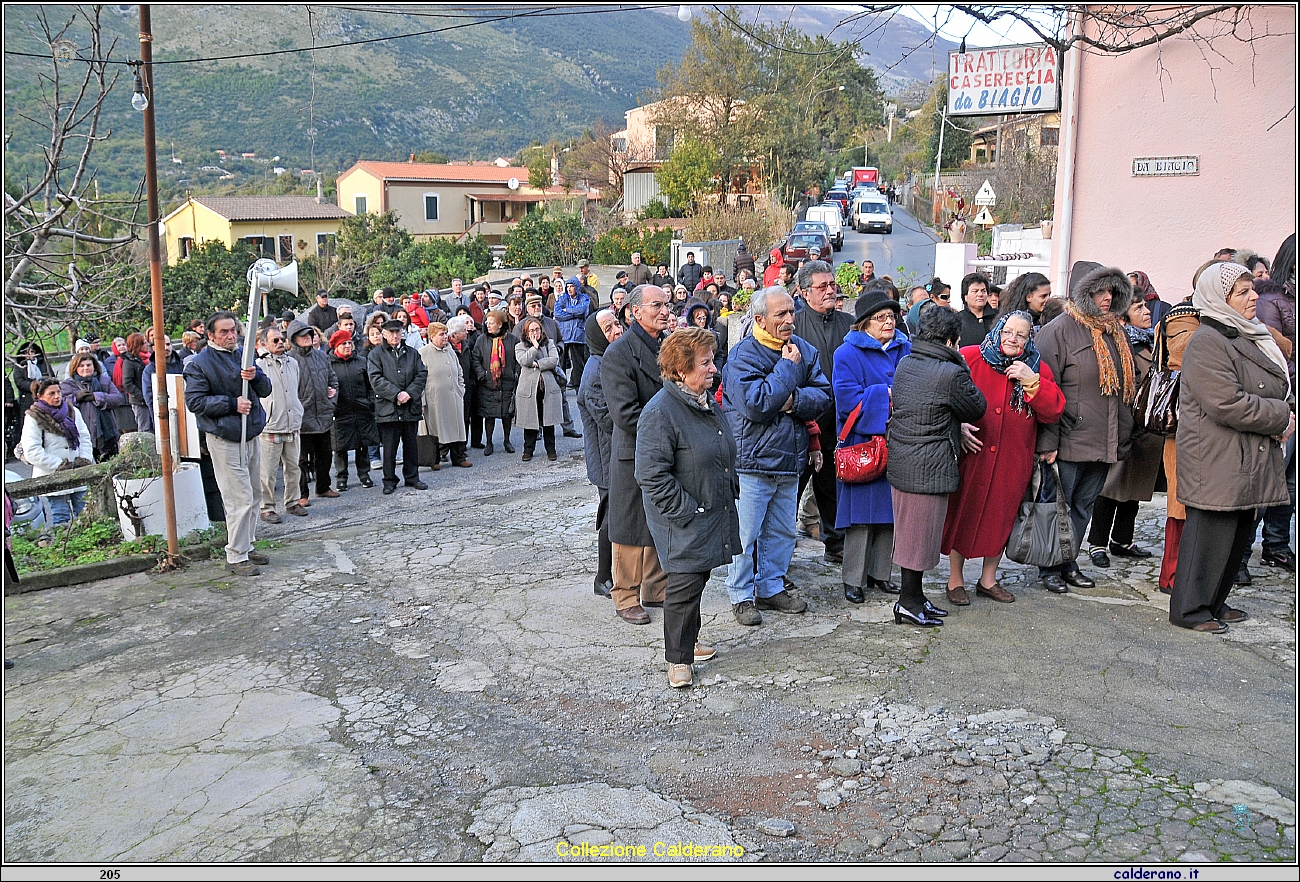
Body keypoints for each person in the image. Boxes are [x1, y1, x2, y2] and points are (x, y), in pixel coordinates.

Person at [1170, 263, 1293, 634]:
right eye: (1242, 292)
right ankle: (1189, 609)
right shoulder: (1209, 340)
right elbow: (1226, 403)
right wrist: (1281, 415)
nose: (1254, 296)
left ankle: (1214, 602)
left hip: (1243, 455)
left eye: (1251, 289)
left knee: (1237, 534)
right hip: (1217, 456)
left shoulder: (1243, 334)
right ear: (1220, 300)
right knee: (1210, 535)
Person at [635, 326, 739, 689]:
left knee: (697, 578)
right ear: (681, 370)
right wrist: (687, 511)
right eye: (705, 363)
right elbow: (650, 474)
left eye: (713, 361)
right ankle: (677, 660)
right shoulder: (661, 411)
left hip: (709, 508)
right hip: (685, 516)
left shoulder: (704, 403)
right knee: (683, 585)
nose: (714, 369)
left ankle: (689, 644)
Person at [722, 286, 831, 626]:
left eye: (791, 312)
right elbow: (756, 405)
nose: (789, 320)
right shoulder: (743, 356)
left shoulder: (804, 350)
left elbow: (823, 395)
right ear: (759, 319)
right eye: (780, 314)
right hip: (752, 461)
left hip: (788, 459)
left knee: (782, 532)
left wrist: (791, 402)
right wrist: (786, 371)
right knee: (746, 535)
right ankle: (740, 595)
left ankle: (770, 588)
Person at [942, 311, 1065, 604]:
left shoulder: (1037, 369)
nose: (1013, 339)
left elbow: (1053, 411)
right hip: (975, 453)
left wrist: (1031, 381)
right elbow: (944, 395)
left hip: (1013, 457)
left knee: (1001, 517)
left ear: (1028, 339)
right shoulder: (971, 357)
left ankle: (988, 579)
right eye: (1008, 332)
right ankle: (955, 580)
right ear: (998, 330)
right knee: (964, 511)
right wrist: (956, 427)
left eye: (1021, 335)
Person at [1034, 263, 1138, 594]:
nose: (1107, 298)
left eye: (1111, 291)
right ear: (1084, 293)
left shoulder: (1115, 331)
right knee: (1058, 506)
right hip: (1067, 438)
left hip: (1104, 439)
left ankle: (1068, 561)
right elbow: (1044, 389)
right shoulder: (1058, 331)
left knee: (1083, 505)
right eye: (1099, 291)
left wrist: (1123, 436)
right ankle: (1049, 566)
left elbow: (1122, 390)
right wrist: (1047, 441)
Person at [887, 306, 987, 625]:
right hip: (929, 464)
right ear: (951, 341)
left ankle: (914, 598)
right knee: (918, 539)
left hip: (905, 459)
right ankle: (908, 602)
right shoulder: (950, 371)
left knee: (912, 536)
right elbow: (976, 407)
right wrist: (957, 362)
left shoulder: (907, 362)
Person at [833, 285, 912, 604]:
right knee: (861, 515)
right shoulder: (847, 354)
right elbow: (847, 400)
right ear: (864, 323)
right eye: (880, 317)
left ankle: (882, 574)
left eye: (891, 316)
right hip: (863, 444)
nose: (888, 322)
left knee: (890, 512)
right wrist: (888, 394)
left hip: (899, 440)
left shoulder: (906, 349)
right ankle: (853, 579)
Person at [602, 285, 673, 624]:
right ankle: (625, 594)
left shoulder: (669, 347)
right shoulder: (618, 353)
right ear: (634, 312)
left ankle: (655, 588)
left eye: (667, 304)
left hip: (667, 450)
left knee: (663, 517)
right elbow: (625, 414)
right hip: (635, 449)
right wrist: (671, 426)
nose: (664, 310)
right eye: (656, 305)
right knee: (629, 525)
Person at [184, 311, 273, 576]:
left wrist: (254, 376)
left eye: (233, 330)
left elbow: (265, 389)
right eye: (223, 331)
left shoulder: (243, 355)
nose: (230, 335)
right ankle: (235, 555)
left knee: (255, 494)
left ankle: (247, 544)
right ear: (210, 335)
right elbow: (195, 402)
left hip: (250, 433)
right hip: (225, 437)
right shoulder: (199, 364)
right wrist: (232, 404)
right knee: (239, 498)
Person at [1087, 295, 1162, 565]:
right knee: (1111, 488)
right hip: (1124, 425)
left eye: (1146, 306)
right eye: (1138, 308)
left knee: (1135, 488)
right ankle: (1097, 544)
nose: (1146, 312)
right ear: (1122, 316)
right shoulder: (1120, 344)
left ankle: (1122, 540)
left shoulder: (1153, 343)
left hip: (1147, 428)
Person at [793, 259, 851, 565]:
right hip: (802, 422)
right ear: (805, 292)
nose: (830, 290)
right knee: (791, 491)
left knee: (833, 488)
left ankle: (836, 544)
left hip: (841, 424)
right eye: (823, 286)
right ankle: (779, 552)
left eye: (832, 284)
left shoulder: (849, 323)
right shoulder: (794, 325)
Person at [579, 310, 621, 598]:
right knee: (610, 516)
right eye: (609, 328)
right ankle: (602, 577)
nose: (617, 330)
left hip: (614, 454)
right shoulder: (595, 372)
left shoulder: (609, 361)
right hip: (606, 459)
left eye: (617, 323)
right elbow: (608, 420)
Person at [368, 319, 429, 495]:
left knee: (411, 445)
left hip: (410, 405)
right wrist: (396, 394)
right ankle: (389, 480)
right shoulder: (376, 355)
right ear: (384, 335)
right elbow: (376, 379)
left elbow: (421, 374)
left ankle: (412, 477)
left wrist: (409, 393)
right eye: (391, 333)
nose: (395, 336)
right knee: (389, 447)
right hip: (388, 407)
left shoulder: (412, 353)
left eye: (398, 332)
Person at [21, 378, 93, 526]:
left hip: (78, 472)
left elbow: (84, 437)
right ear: (40, 396)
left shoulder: (72, 411)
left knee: (86, 513)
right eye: (51, 393)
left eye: (58, 392)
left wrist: (84, 459)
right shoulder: (34, 417)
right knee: (61, 516)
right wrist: (60, 465)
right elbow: (32, 450)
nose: (57, 396)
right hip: (52, 475)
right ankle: (66, 546)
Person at [256, 326, 305, 524]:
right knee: (267, 472)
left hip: (292, 423)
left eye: (281, 339)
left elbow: (296, 389)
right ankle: (266, 507)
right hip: (271, 425)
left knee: (294, 468)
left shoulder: (292, 363)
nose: (279, 343)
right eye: (274, 340)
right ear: (263, 344)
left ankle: (292, 501)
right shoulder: (260, 365)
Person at [286, 321, 339, 505]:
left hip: (323, 414)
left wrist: (330, 402)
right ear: (293, 339)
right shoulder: (289, 360)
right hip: (302, 418)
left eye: (309, 334)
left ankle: (323, 487)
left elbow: (333, 381)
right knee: (300, 459)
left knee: (325, 454)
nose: (307, 337)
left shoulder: (321, 356)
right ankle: (302, 494)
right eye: (302, 335)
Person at [328, 329, 377, 491]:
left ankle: (364, 474)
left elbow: (370, 385)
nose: (348, 346)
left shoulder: (361, 361)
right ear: (336, 346)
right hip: (340, 411)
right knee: (340, 446)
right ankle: (341, 477)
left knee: (363, 444)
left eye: (350, 343)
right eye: (344, 344)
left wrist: (370, 403)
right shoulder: (329, 363)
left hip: (362, 409)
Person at [419, 322, 471, 469]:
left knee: (457, 427)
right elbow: (419, 378)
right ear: (432, 336)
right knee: (435, 429)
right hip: (434, 399)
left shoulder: (450, 351)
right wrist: (422, 400)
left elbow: (459, 372)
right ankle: (434, 459)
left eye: (445, 333)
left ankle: (459, 457)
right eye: (441, 334)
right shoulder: (423, 353)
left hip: (454, 396)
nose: (445, 337)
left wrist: (461, 389)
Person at [513, 316, 563, 462]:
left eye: (537, 329)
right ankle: (528, 450)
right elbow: (524, 361)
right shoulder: (520, 346)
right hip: (529, 389)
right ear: (526, 333)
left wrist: (537, 364)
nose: (535, 332)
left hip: (547, 387)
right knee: (530, 421)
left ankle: (551, 450)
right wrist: (534, 348)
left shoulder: (550, 343)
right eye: (531, 330)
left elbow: (554, 360)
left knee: (548, 420)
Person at [59, 353, 125, 461]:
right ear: (75, 368)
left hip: (107, 434)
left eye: (88, 365)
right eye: (81, 366)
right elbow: (61, 405)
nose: (86, 368)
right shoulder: (67, 385)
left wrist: (96, 396)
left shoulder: (104, 381)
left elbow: (118, 399)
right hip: (82, 434)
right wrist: (75, 398)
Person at [471, 310, 519, 456]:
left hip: (507, 382)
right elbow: (475, 359)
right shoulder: (482, 340)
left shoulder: (512, 339)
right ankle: (489, 442)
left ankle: (507, 440)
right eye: (487, 322)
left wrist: (515, 374)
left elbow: (518, 359)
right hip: (488, 383)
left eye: (491, 323)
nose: (488, 325)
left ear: (500, 324)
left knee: (507, 415)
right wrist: (483, 374)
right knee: (489, 415)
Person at [553, 277, 591, 438]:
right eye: (567, 287)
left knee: (578, 364)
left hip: (578, 335)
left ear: (576, 287)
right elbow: (557, 313)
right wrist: (570, 313)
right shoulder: (562, 298)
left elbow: (583, 311)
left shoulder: (584, 297)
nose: (569, 289)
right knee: (560, 364)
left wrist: (568, 311)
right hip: (564, 334)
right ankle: (560, 386)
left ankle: (578, 387)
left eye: (571, 287)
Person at [448, 316, 483, 450]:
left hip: (470, 383)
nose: (467, 332)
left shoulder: (465, 344)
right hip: (455, 387)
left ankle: (473, 441)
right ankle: (459, 445)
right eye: (463, 330)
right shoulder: (449, 347)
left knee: (473, 413)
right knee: (461, 416)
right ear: (455, 334)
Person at [119, 332, 152, 433]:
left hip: (151, 398)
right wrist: (142, 396)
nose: (147, 345)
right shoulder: (129, 361)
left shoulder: (150, 358)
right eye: (144, 343)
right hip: (140, 401)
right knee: (145, 429)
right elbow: (127, 383)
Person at [956, 272, 997, 347]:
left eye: (983, 291)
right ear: (965, 296)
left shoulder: (998, 317)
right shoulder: (957, 320)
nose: (980, 294)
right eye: (975, 291)